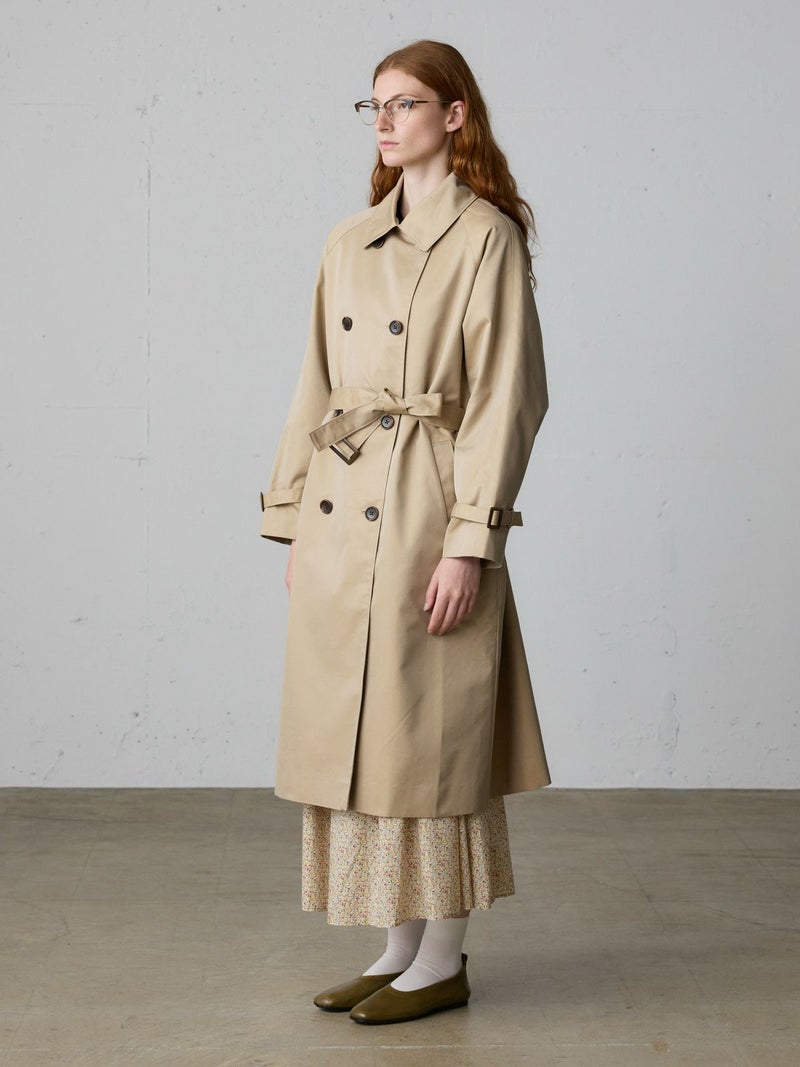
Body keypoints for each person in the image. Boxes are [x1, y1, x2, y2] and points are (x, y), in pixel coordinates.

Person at [258, 39, 551, 1025]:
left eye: (406, 103)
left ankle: (443, 960)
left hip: (429, 506)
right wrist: (293, 519)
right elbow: (314, 387)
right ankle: (397, 949)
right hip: (342, 513)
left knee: (432, 741)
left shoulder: (486, 237)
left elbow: (506, 397)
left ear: (453, 115)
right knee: (367, 744)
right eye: (373, 105)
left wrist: (472, 539)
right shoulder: (348, 240)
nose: (384, 121)